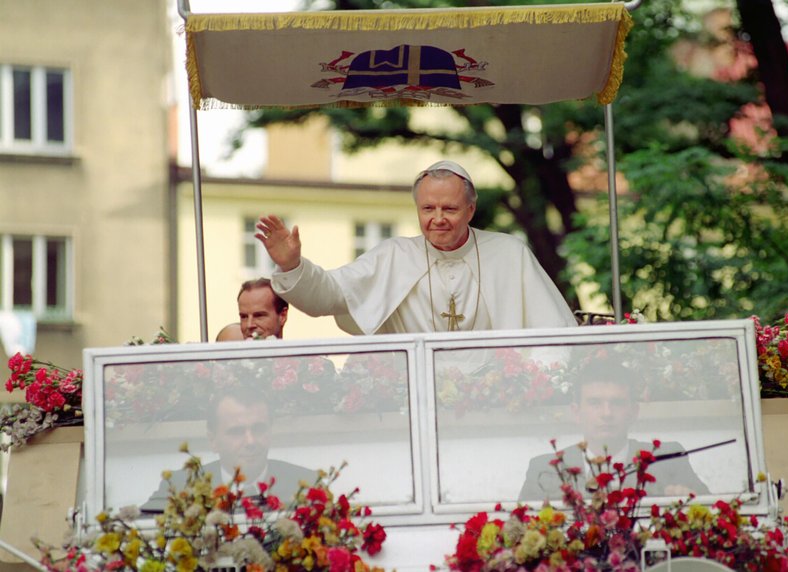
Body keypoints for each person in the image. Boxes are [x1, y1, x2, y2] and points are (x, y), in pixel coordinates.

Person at [256, 160, 577, 335]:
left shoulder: (509, 253)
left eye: (449, 209)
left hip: (499, 395)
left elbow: (554, 333)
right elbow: (329, 295)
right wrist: (292, 266)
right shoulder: (394, 255)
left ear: (470, 210)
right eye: (428, 209)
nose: (438, 219)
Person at [518, 362, 709, 501]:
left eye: (616, 403)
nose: (606, 413)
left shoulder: (668, 458)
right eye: (595, 403)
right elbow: (518, 534)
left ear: (633, 412)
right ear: (577, 413)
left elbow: (713, 515)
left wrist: (689, 500)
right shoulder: (544, 468)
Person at [141, 386, 318, 512]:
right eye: (237, 431)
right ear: (213, 440)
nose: (250, 441)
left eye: (259, 429)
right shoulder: (181, 487)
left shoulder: (307, 484)